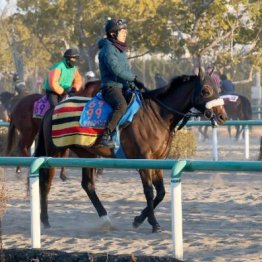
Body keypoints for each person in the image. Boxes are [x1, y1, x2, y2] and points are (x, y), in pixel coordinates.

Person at [97, 18, 144, 148]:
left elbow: (125, 71)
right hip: (110, 88)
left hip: (123, 87)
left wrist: (135, 85)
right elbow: (116, 70)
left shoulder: (120, 50)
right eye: (122, 32)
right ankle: (105, 136)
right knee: (121, 105)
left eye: (125, 32)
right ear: (113, 34)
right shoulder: (108, 50)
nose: (125, 34)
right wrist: (134, 78)